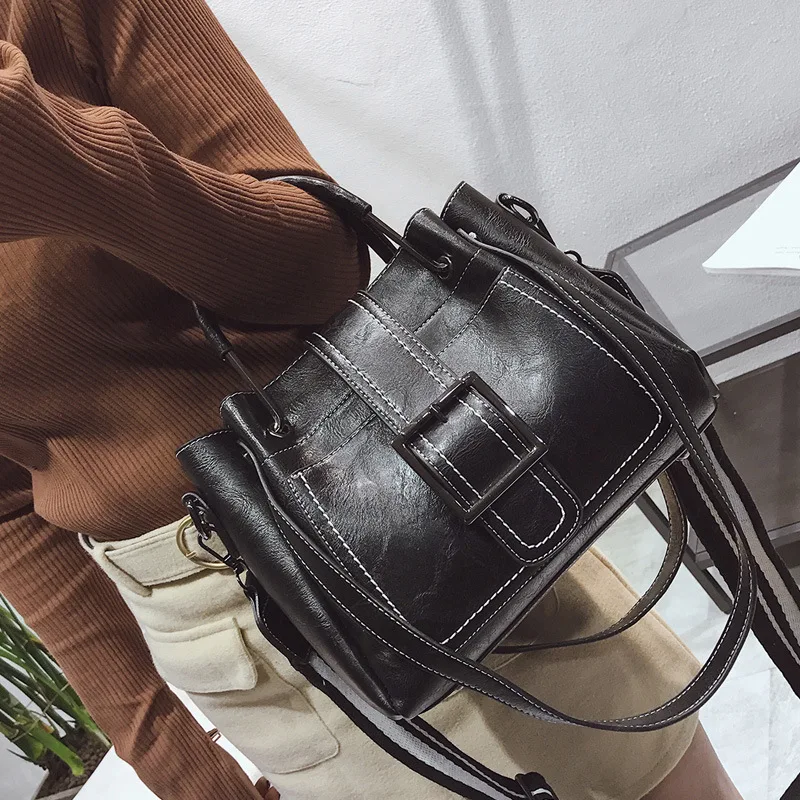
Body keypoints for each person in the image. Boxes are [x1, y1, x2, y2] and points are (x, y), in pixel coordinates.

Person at [0, 1, 743, 798]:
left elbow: (322, 269)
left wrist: (59, 160)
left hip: (411, 504)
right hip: (228, 641)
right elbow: (12, 514)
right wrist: (186, 775)